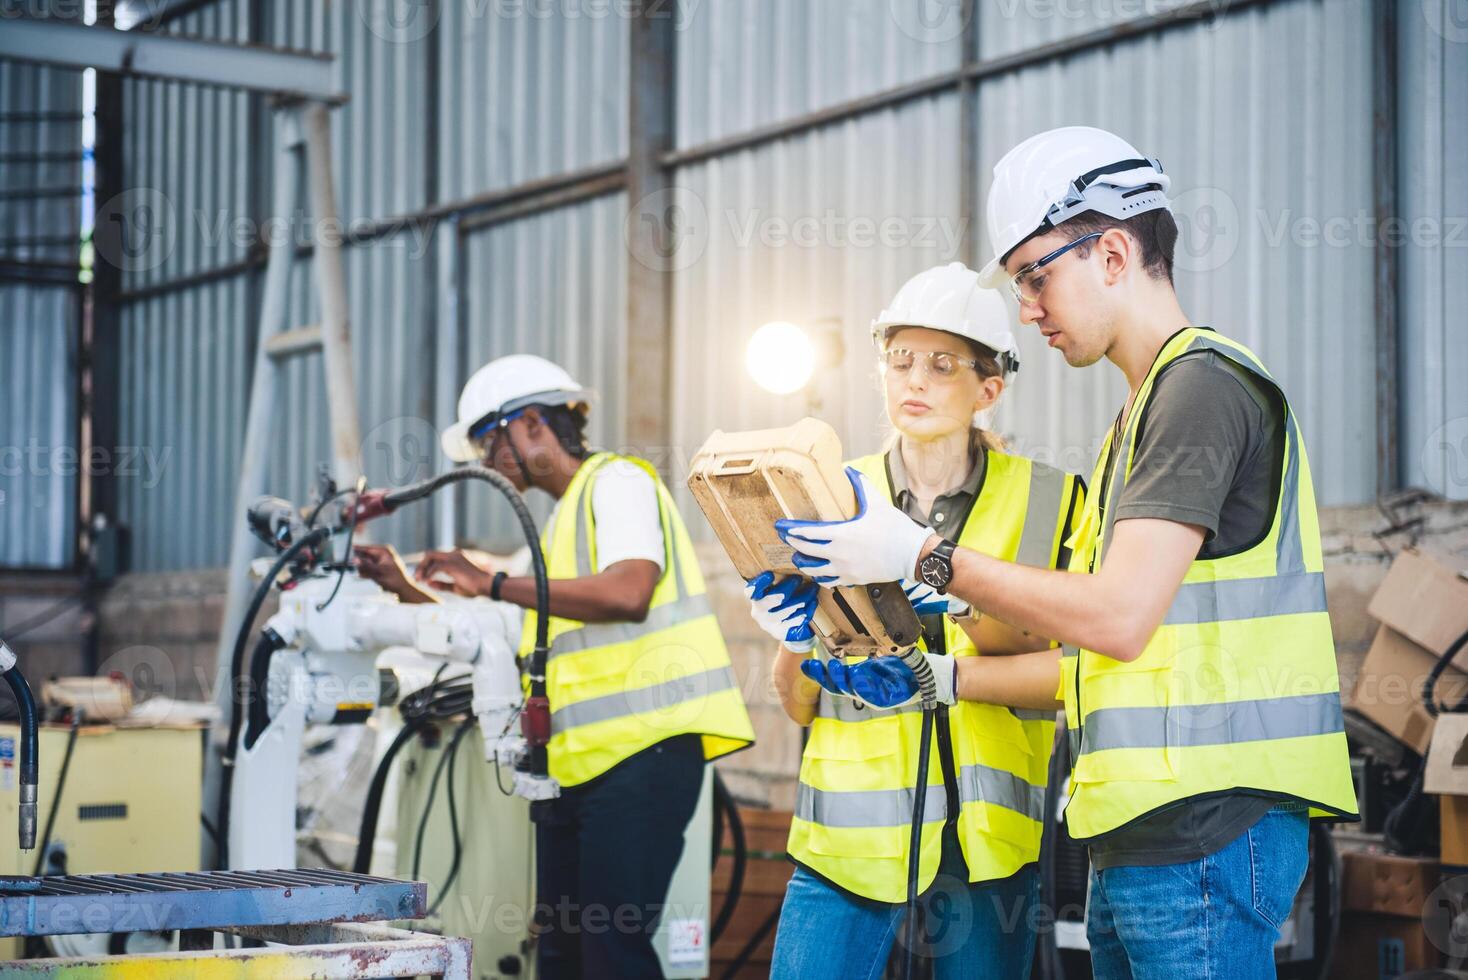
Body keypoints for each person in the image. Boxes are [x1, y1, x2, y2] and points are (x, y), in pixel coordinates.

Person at [774, 127, 1358, 979]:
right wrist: (936, 633)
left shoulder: (1199, 387)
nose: (1030, 308)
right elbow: (1090, 646)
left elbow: (1118, 619)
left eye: (1037, 276)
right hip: (1141, 829)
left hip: (1203, 826)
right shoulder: (1137, 416)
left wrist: (926, 559)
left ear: (1114, 251)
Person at [356, 353, 755, 979]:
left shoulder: (618, 482)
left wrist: (488, 580)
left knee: (611, 954)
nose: (490, 466)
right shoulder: (557, 530)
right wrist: (405, 585)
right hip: (580, 770)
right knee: (565, 954)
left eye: (491, 445)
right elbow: (497, 623)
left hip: (642, 756)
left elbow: (628, 592)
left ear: (534, 422)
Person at [745, 263, 1084, 979]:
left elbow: (1064, 676)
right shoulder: (829, 493)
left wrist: (959, 600)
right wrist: (794, 639)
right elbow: (799, 702)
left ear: (989, 388)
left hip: (989, 843)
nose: (915, 380)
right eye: (900, 361)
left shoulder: (1053, 498)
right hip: (848, 843)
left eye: (941, 364)